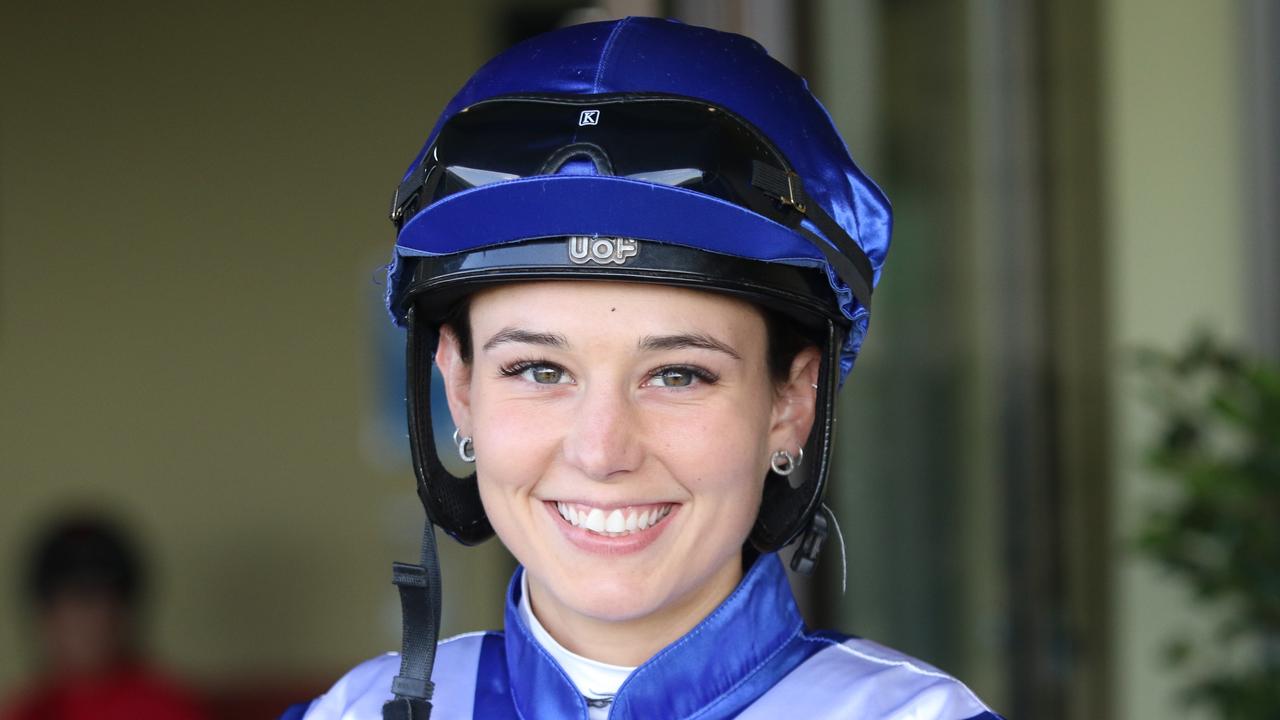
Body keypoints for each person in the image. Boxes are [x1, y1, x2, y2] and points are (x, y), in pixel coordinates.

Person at [291, 16, 1003, 720]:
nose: (601, 452)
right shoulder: (350, 712)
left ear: (791, 402)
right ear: (460, 388)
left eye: (679, 374)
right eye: (539, 370)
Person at [1, 516, 208, 720]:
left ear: (124, 614)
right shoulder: (30, 709)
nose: (84, 623)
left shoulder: (168, 707)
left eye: (95, 602)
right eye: (72, 603)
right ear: (45, 617)